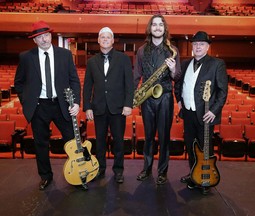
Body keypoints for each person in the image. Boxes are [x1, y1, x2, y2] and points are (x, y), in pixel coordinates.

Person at [14, 21, 81, 190]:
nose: (43, 40)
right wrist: (26, 101)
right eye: (39, 37)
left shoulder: (65, 55)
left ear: (51, 36)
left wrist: (77, 102)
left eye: (46, 35)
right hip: (39, 106)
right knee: (40, 143)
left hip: (61, 104)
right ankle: (46, 176)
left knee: (71, 141)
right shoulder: (26, 57)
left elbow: (74, 80)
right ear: (34, 41)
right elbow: (19, 83)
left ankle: (78, 172)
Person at [174, 31, 228, 195]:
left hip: (205, 114)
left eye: (201, 44)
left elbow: (222, 91)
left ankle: (205, 180)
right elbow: (178, 84)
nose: (198, 47)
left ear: (208, 47)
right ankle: (193, 174)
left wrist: (214, 110)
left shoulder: (217, 64)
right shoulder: (185, 63)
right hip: (188, 113)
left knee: (205, 148)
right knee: (191, 146)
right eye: (195, 44)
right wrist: (179, 100)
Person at [134, 14, 181, 185]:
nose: (158, 27)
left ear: (164, 28)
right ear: (150, 28)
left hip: (165, 98)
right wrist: (132, 97)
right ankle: (146, 169)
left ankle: (162, 172)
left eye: (161, 25)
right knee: (148, 137)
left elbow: (177, 77)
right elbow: (136, 75)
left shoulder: (172, 50)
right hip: (147, 98)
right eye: (154, 25)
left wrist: (173, 68)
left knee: (164, 137)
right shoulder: (141, 50)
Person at [83, 27, 134, 184]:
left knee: (118, 141)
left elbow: (129, 84)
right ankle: (100, 169)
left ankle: (118, 171)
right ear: (98, 40)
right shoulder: (91, 62)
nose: (105, 40)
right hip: (98, 108)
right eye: (102, 37)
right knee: (100, 142)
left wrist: (128, 104)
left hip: (118, 108)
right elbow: (87, 86)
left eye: (108, 37)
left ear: (113, 40)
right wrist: (87, 107)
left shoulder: (123, 59)